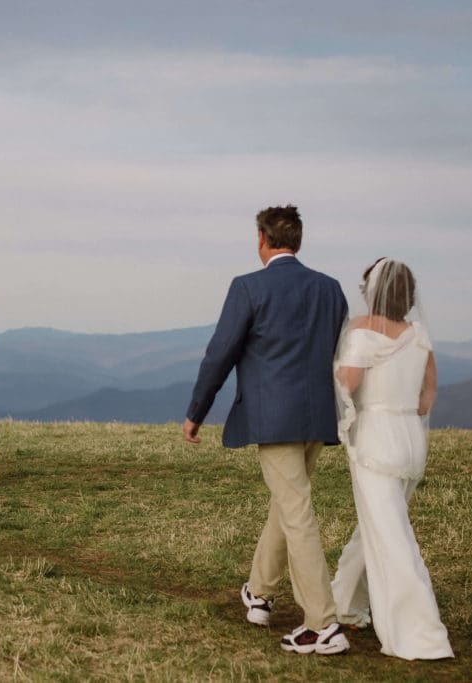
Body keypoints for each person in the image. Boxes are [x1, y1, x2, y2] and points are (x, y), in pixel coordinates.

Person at [183, 205, 350, 655]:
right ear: (297, 239)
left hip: (275, 421)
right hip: (317, 418)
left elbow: (219, 353)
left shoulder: (248, 287)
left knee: (297, 515)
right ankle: (259, 593)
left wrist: (197, 411)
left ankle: (323, 624)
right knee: (288, 505)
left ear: (262, 239)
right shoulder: (331, 290)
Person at [330, 258, 453, 660]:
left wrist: (334, 373)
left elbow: (348, 382)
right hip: (410, 441)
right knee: (375, 529)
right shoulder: (419, 336)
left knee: (393, 538)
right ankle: (344, 603)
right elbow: (427, 396)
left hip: (376, 442)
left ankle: (421, 633)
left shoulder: (363, 331)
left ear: (372, 292)